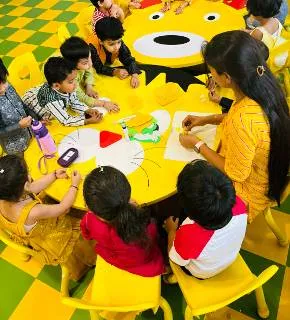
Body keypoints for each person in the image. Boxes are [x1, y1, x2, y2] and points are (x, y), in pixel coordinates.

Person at [180, 31, 290, 223]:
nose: (211, 74)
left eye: (212, 71)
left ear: (227, 78)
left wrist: (197, 143)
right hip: (271, 172)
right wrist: (206, 119)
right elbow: (243, 117)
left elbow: (235, 173)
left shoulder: (243, 120)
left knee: (189, 180)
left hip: (250, 191)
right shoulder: (263, 82)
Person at [0, 155, 96, 280]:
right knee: (88, 225)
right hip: (55, 237)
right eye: (28, 172)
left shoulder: (5, 195)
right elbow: (64, 207)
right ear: (25, 184)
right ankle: (87, 260)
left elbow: (32, 187)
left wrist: (54, 175)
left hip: (33, 232)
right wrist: (74, 184)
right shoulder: (33, 212)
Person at [164, 160, 247, 279]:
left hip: (202, 273)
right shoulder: (240, 204)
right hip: (229, 257)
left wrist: (171, 231)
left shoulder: (189, 234)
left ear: (190, 214)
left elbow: (176, 259)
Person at [81, 166, 165, 276]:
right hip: (146, 264)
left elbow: (86, 235)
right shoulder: (143, 221)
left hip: (116, 258)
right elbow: (154, 237)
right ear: (128, 195)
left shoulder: (88, 219)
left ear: (90, 208)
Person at [22, 57, 103, 127]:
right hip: (29, 107)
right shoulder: (51, 100)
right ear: (57, 86)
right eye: (71, 81)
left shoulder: (68, 87)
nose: (75, 83)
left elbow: (74, 101)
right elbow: (65, 120)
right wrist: (88, 121)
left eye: (75, 79)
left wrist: (87, 110)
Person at [60, 36, 119, 113]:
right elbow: (81, 98)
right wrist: (104, 103)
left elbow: (89, 70)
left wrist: (89, 87)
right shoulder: (69, 77)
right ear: (72, 64)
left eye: (90, 58)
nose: (91, 64)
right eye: (85, 62)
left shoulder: (84, 63)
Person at [88, 17, 141, 88]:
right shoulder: (91, 47)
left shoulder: (116, 40)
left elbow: (127, 57)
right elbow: (98, 67)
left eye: (119, 42)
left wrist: (134, 74)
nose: (116, 47)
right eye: (111, 44)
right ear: (101, 41)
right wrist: (115, 72)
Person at [0, 58, 39, 155]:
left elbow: (22, 105)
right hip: (16, 149)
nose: (4, 87)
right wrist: (18, 126)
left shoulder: (7, 86)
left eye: (4, 81)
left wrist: (37, 119)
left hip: (32, 135)